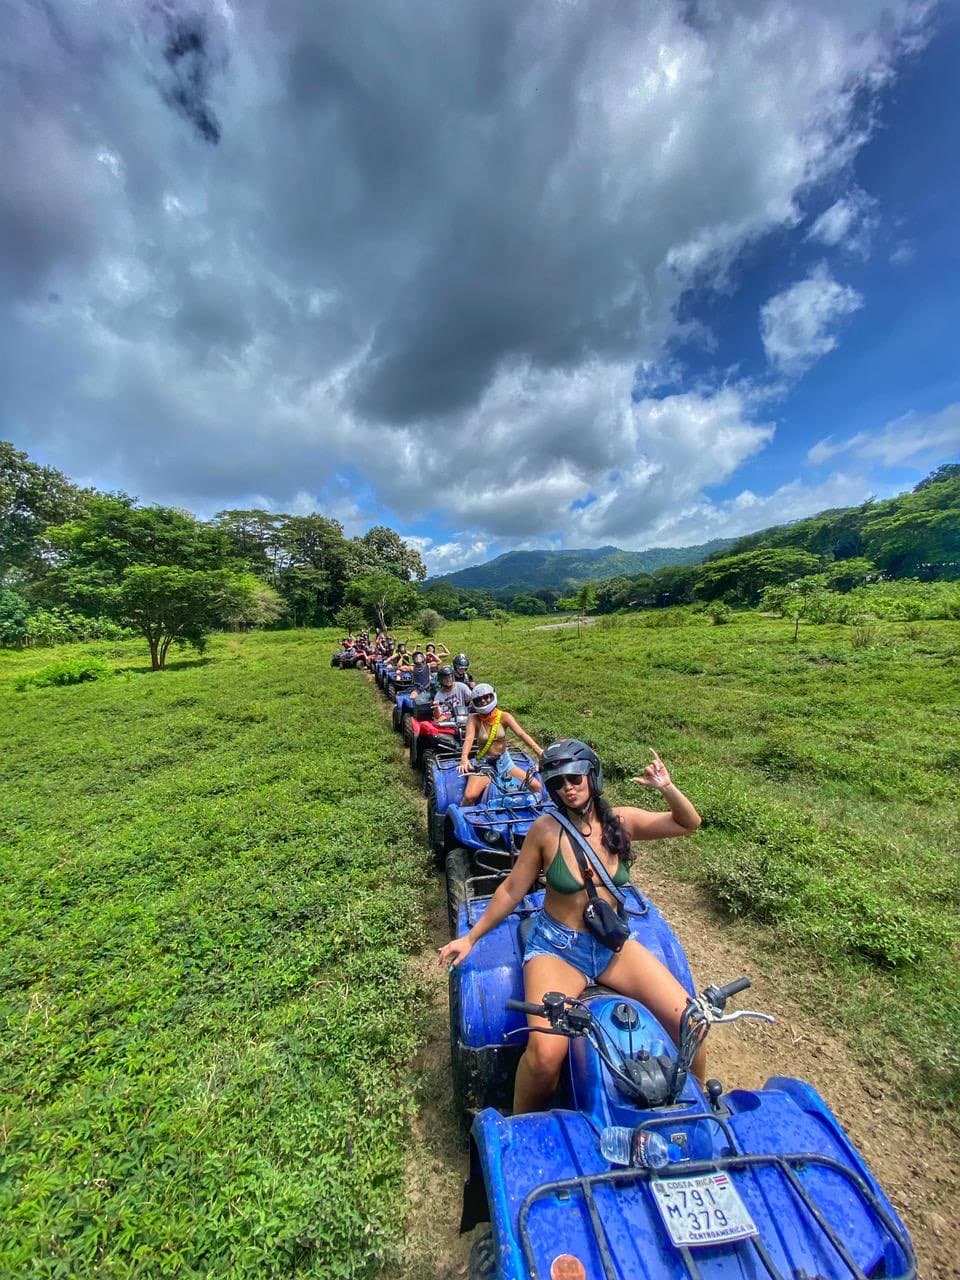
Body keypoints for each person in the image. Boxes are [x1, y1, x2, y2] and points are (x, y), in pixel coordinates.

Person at [438, 739, 702, 1113]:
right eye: (559, 782)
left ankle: (699, 1109)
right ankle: (525, 1129)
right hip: (557, 949)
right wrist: (471, 937)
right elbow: (513, 889)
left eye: (575, 777)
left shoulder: (621, 822)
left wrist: (666, 788)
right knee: (546, 1054)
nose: (568, 787)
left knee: (693, 1024)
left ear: (593, 776)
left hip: (610, 947)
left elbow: (687, 823)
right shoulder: (546, 831)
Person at [458, 684, 544, 804]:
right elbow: (469, 738)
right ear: (474, 703)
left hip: (505, 762)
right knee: (469, 796)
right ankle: (460, 819)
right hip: (484, 764)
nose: (483, 701)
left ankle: (536, 815)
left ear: (493, 696)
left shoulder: (504, 716)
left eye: (487, 697)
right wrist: (464, 758)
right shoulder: (473, 718)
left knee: (536, 786)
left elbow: (522, 734)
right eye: (479, 700)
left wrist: (539, 751)